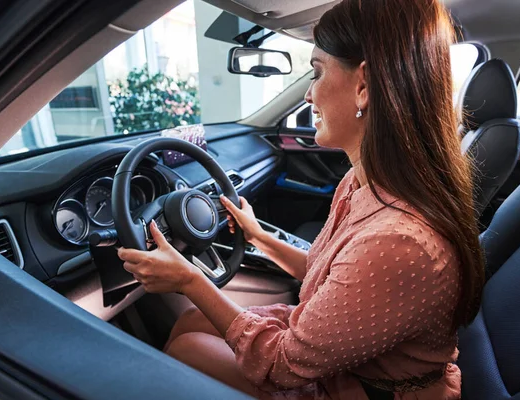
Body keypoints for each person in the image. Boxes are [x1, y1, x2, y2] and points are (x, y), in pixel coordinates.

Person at [117, 0, 485, 398]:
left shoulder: (399, 242)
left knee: (188, 348)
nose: (309, 95)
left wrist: (189, 279)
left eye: (317, 72)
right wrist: (258, 237)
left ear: (364, 86)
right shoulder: (362, 183)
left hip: (372, 390)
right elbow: (328, 271)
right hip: (355, 364)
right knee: (191, 324)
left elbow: (281, 366)